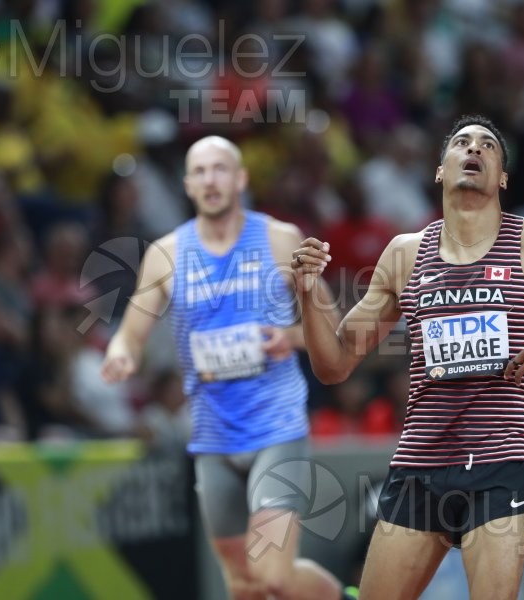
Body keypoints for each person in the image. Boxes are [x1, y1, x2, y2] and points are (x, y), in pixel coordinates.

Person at [291, 114, 524, 600]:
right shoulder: (405, 254)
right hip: (422, 461)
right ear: (441, 169)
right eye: (462, 143)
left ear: (503, 177)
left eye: (488, 146)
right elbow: (334, 365)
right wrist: (308, 291)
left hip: (503, 460)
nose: (475, 149)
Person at [101, 136, 350, 600]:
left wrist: (289, 337)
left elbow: (332, 328)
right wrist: (121, 352)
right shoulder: (167, 254)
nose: (210, 179)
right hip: (213, 438)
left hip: (276, 429)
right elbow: (132, 330)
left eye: (220, 169)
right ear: (187, 184)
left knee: (273, 574)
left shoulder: (280, 240)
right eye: (200, 171)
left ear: (240, 178)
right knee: (243, 585)